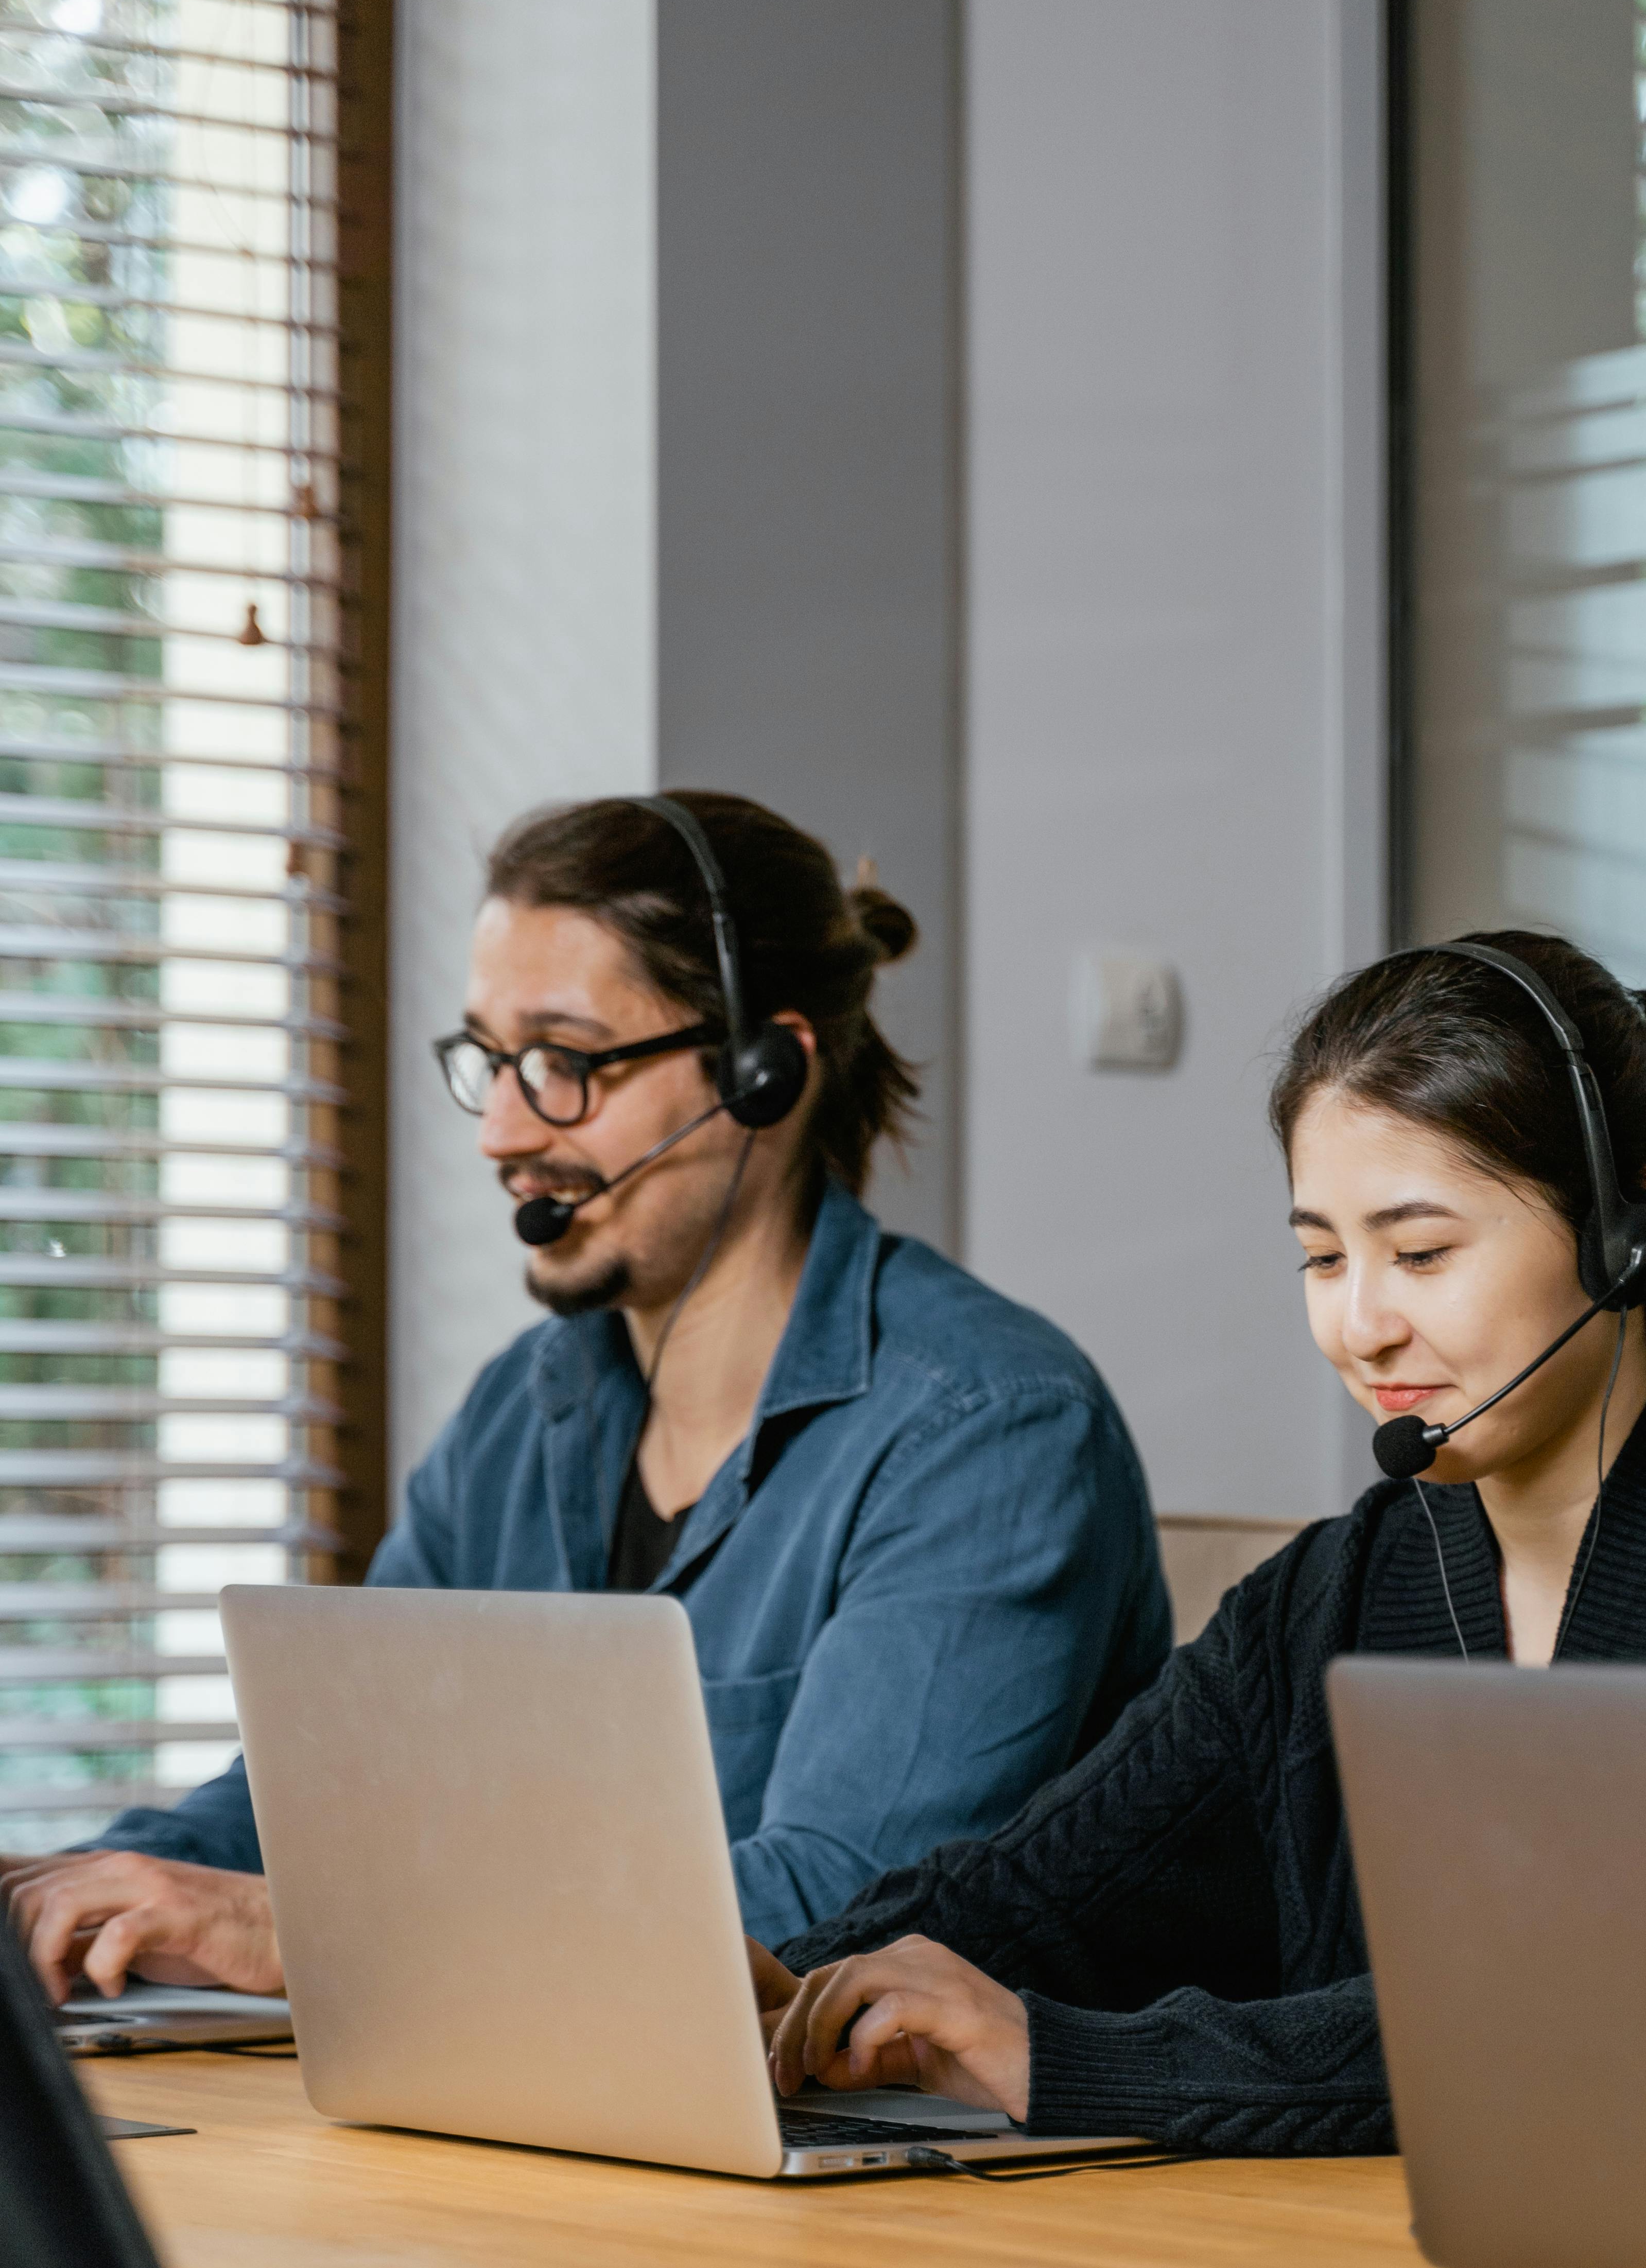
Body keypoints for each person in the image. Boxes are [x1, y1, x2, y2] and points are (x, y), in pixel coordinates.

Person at [750, 933, 1646, 2157]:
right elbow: (1035, 1890)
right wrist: (783, 1989)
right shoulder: (1324, 1602)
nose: (1362, 1325)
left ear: (1624, 1234)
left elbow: (1597, 2024)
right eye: (1324, 1258)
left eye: (1422, 1253)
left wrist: (1063, 2057)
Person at [4, 792, 1169, 2002]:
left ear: (764, 1074)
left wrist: (305, 1932)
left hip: (901, 2155)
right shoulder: (531, 1404)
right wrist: (81, 1890)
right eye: (493, 1062)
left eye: (565, 1062)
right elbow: (335, 1781)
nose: (502, 1133)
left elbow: (844, 1904)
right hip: (561, 2102)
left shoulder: (989, 1429)